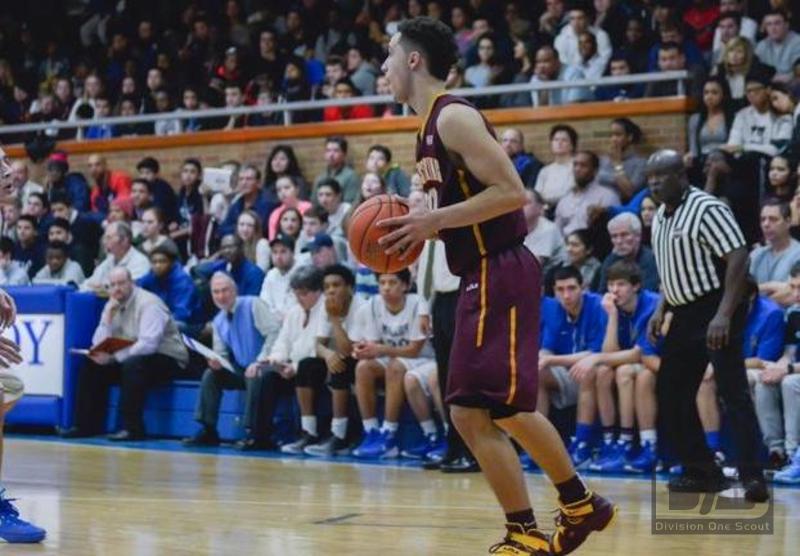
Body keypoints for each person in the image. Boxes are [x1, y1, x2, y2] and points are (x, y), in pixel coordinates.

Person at [377, 17, 615, 554]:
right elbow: (461, 208)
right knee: (497, 407)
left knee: (472, 408)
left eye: (390, 56)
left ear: (414, 60)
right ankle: (578, 505)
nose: (384, 67)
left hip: (499, 268)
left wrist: (433, 221)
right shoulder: (426, 130)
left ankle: (530, 530)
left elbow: (512, 193)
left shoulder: (453, 116)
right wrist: (420, 216)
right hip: (480, 271)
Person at [646, 149, 768, 502]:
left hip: (716, 307)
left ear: (681, 176)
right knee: (671, 393)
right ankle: (702, 472)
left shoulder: (706, 208)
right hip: (682, 313)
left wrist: (724, 315)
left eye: (662, 175)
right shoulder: (660, 218)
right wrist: (660, 309)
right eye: (650, 178)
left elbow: (738, 255)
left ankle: (753, 475)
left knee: (733, 393)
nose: (654, 182)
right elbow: (673, 270)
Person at [61, 267, 189, 441]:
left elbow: (149, 345)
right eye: (112, 285)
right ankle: (85, 426)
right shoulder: (112, 305)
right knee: (92, 364)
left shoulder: (149, 303)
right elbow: (98, 344)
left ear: (132, 283)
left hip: (169, 358)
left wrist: (114, 358)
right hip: (135, 357)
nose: (117, 289)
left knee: (133, 365)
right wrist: (107, 316)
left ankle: (132, 428)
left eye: (121, 283)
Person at [571, 261, 660, 473]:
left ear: (636, 286)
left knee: (623, 371)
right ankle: (611, 442)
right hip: (631, 362)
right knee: (602, 371)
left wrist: (597, 357)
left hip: (656, 361)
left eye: (621, 284)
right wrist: (611, 316)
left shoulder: (652, 304)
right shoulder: (611, 307)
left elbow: (640, 353)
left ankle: (634, 443)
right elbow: (610, 353)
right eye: (611, 284)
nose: (614, 290)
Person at [182, 272, 287, 451]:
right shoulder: (218, 320)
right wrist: (217, 362)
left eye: (225, 290)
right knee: (211, 374)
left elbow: (274, 333)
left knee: (256, 374)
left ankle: (256, 433)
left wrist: (261, 361)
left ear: (235, 290)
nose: (221, 296)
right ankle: (208, 429)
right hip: (242, 368)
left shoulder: (253, 304)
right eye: (216, 292)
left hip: (270, 364)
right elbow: (221, 353)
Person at [350, 270, 434, 459]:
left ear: (405, 285)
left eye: (392, 282)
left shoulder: (417, 303)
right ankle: (371, 431)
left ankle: (389, 432)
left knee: (395, 367)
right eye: (382, 283)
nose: (386, 288)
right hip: (393, 355)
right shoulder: (372, 305)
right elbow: (373, 346)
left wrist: (379, 349)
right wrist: (362, 349)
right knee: (363, 368)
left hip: (422, 358)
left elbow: (414, 350)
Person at [538, 266, 607, 468]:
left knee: (588, 370)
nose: (566, 295)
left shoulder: (597, 305)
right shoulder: (555, 310)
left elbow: (596, 353)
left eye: (571, 288)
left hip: (600, 368)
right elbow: (547, 349)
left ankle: (582, 445)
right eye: (560, 290)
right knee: (536, 373)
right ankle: (538, 445)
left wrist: (551, 361)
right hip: (569, 372)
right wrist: (542, 358)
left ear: (582, 287)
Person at [302, 265, 365, 457]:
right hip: (342, 357)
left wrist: (336, 320)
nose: (330, 290)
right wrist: (328, 354)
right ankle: (309, 431)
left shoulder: (361, 307)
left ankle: (339, 435)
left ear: (350, 288)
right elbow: (318, 345)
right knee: (307, 366)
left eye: (336, 285)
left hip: (364, 360)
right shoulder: (325, 305)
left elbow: (349, 349)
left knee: (341, 365)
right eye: (327, 286)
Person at [757, 263, 800, 482]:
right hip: (795, 369)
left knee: (790, 382)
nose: (795, 294)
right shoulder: (794, 313)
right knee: (765, 380)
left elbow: (792, 367)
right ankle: (776, 452)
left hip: (796, 375)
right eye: (792, 287)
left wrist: (789, 369)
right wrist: (779, 366)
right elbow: (790, 352)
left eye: (799, 288)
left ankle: (794, 455)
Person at [136, 241, 201, 333]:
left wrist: (154, 322)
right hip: (164, 319)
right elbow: (134, 287)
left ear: (171, 262)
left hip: (189, 323)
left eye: (162, 261)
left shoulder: (182, 281)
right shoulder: (152, 275)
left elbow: (182, 313)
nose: (157, 265)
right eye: (154, 262)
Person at [555, 151, 620, 236]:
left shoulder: (608, 196)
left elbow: (616, 229)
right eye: (575, 165)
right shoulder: (565, 199)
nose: (577, 169)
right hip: (566, 246)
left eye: (583, 165)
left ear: (595, 170)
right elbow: (557, 231)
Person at [750, 199, 800, 305]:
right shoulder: (756, 255)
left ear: (788, 222)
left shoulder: (797, 253)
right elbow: (744, 292)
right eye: (763, 219)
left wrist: (758, 291)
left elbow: (792, 294)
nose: (766, 224)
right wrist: (771, 286)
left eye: (773, 219)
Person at [594, 213, 660, 293]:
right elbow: (602, 294)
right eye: (614, 236)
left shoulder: (651, 259)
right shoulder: (610, 260)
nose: (619, 241)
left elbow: (649, 294)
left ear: (638, 236)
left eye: (624, 235)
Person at [81, 221, 150, 292]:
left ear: (124, 240)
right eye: (104, 238)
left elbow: (128, 289)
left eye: (109, 238)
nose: (104, 242)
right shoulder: (110, 259)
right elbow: (91, 281)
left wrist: (103, 287)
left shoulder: (140, 262)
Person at [196, 235, 265, 297]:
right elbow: (198, 270)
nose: (227, 251)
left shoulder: (254, 273)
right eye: (223, 248)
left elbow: (251, 304)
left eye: (230, 247)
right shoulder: (223, 265)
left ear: (241, 248)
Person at [534, 124, 578, 209]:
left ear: (572, 145)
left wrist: (546, 199)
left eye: (564, 140)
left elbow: (569, 193)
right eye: (556, 139)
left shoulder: (576, 167)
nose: (559, 143)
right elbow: (537, 195)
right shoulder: (545, 171)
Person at [523, 189, 564, 272]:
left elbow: (533, 265)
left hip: (556, 278)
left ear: (540, 208)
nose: (520, 206)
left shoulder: (548, 229)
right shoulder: (512, 227)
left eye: (526, 203)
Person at [755, 10, 800, 82]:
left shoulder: (798, 42)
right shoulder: (761, 45)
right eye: (769, 24)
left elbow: (797, 74)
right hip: (767, 87)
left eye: (777, 23)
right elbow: (756, 71)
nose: (773, 28)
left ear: (786, 25)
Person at [313, 137, 360, 203]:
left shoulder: (351, 176)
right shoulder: (320, 177)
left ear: (344, 154)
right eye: (328, 151)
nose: (331, 155)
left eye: (336, 151)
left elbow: (349, 203)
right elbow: (314, 202)